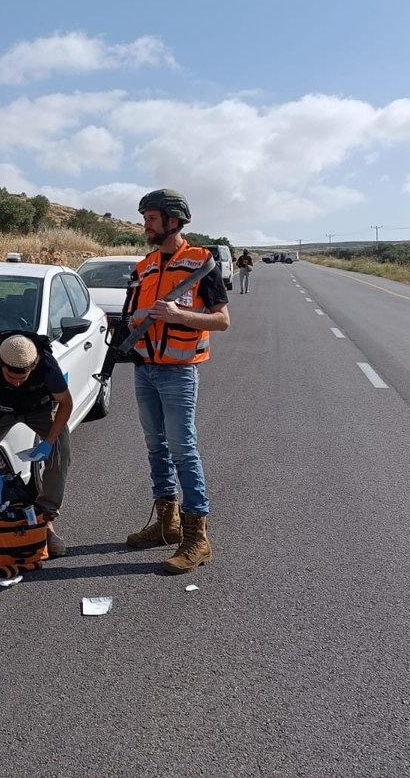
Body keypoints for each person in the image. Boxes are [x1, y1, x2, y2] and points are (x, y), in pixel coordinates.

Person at [124, 188, 230, 573]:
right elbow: (136, 313)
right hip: (144, 367)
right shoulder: (145, 265)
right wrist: (136, 320)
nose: (145, 225)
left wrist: (180, 316)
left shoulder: (202, 262)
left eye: (151, 218)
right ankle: (167, 524)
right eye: (145, 218)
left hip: (178, 372)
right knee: (156, 447)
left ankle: (197, 538)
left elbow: (222, 320)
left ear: (173, 220)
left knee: (183, 449)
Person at [0, 332, 72, 557]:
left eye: (22, 378)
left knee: (61, 450)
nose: (16, 382)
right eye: (10, 376)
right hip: (0, 410)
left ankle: (45, 519)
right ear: (0, 363)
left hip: (39, 409)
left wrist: (49, 442)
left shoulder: (48, 367)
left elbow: (65, 404)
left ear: (33, 365)